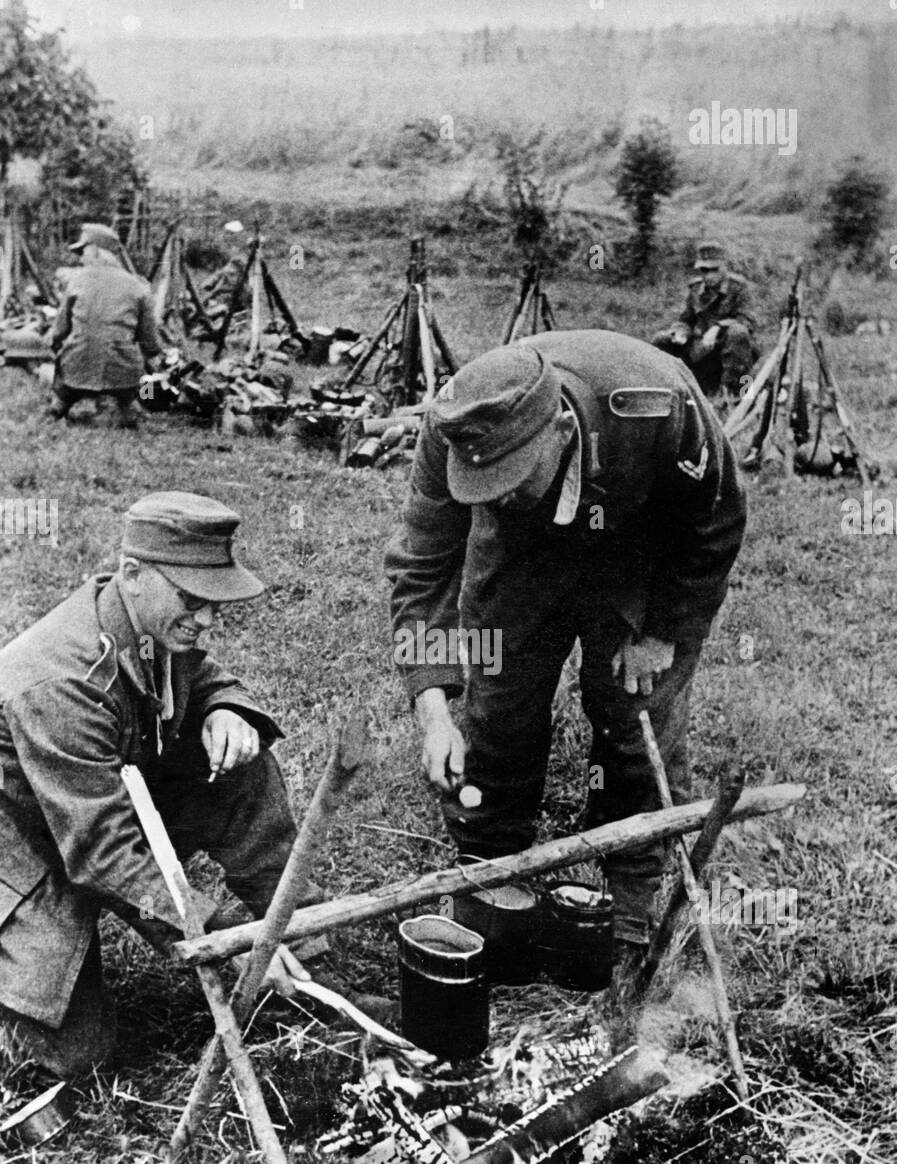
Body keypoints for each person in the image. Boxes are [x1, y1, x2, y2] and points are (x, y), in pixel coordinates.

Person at [385, 331, 747, 947]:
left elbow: (715, 522)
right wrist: (433, 709)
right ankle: (492, 866)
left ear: (557, 429)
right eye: (485, 486)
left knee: (636, 714)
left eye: (511, 476)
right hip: (519, 554)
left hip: (636, 545)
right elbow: (423, 567)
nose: (496, 492)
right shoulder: (452, 424)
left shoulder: (656, 404)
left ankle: (629, 883)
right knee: (499, 702)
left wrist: (662, 633)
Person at [0, 493, 313, 1084]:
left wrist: (225, 708)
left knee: (241, 763)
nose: (207, 621)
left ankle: (304, 944)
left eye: (215, 605)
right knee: (74, 1058)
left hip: (92, 799)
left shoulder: (143, 618)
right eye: (192, 600)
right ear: (134, 574)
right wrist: (219, 938)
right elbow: (104, 852)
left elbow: (201, 672)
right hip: (23, 846)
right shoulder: (61, 680)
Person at [49, 222, 162, 429]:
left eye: (83, 251)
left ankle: (60, 404)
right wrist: (150, 357)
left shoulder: (76, 281)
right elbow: (150, 342)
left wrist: (57, 348)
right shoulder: (138, 286)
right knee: (150, 370)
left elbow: (59, 331)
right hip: (123, 376)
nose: (81, 257)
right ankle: (145, 403)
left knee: (64, 373)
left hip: (76, 370)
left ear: (95, 250)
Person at [652, 240, 758, 399]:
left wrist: (718, 328)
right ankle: (667, 391)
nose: (708, 275)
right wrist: (680, 332)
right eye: (704, 270)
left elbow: (748, 320)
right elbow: (685, 319)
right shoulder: (695, 289)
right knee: (662, 339)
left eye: (714, 270)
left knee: (738, 332)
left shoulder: (739, 288)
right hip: (701, 349)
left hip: (734, 350)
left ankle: (733, 394)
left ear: (724, 267)